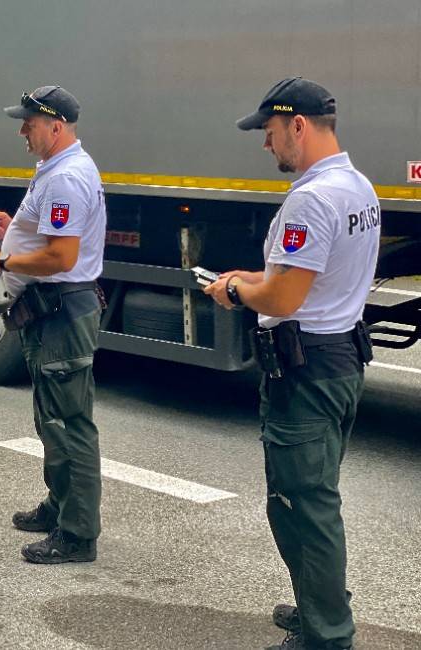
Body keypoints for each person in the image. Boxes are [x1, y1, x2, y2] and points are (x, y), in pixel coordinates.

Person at [205, 77, 379, 650]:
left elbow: (283, 300)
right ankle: (319, 603)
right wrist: (250, 278)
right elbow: (306, 280)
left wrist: (235, 294)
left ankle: (326, 633)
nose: (266, 145)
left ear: (298, 127)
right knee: (314, 497)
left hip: (305, 372)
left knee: (302, 505)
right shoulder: (358, 188)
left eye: (271, 133)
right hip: (340, 358)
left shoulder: (310, 198)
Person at [0, 85, 107, 564]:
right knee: (51, 418)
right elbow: (52, 236)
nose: (22, 130)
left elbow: (61, 256)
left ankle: (77, 534)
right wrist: (16, 224)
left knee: (69, 424)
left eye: (29, 122)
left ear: (56, 126)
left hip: (61, 309)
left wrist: (4, 257)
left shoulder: (66, 178)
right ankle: (59, 507)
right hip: (54, 309)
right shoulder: (56, 170)